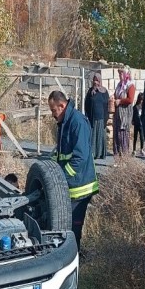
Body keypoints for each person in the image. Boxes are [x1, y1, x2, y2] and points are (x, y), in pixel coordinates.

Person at [48, 90, 99, 251]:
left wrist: (60, 177)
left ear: (62, 106)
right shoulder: (65, 122)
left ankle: (74, 257)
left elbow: (80, 158)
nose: (52, 114)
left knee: (72, 229)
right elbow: (62, 154)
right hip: (70, 185)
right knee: (66, 227)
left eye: (53, 110)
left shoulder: (77, 122)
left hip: (80, 187)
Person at [84, 72, 109, 160]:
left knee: (100, 136)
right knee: (93, 136)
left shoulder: (104, 92)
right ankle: (93, 154)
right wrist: (87, 116)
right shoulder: (90, 91)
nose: (95, 82)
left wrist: (106, 118)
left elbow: (106, 106)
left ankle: (100, 154)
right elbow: (86, 104)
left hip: (101, 118)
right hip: (92, 118)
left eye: (97, 80)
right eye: (94, 80)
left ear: (100, 81)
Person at [113, 68, 136, 156]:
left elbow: (130, 99)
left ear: (126, 74)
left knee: (123, 134)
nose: (120, 75)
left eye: (121, 73)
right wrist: (113, 98)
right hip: (118, 114)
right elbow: (116, 95)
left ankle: (124, 156)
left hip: (125, 114)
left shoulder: (130, 85)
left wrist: (120, 101)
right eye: (119, 74)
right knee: (117, 133)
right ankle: (117, 155)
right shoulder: (119, 85)